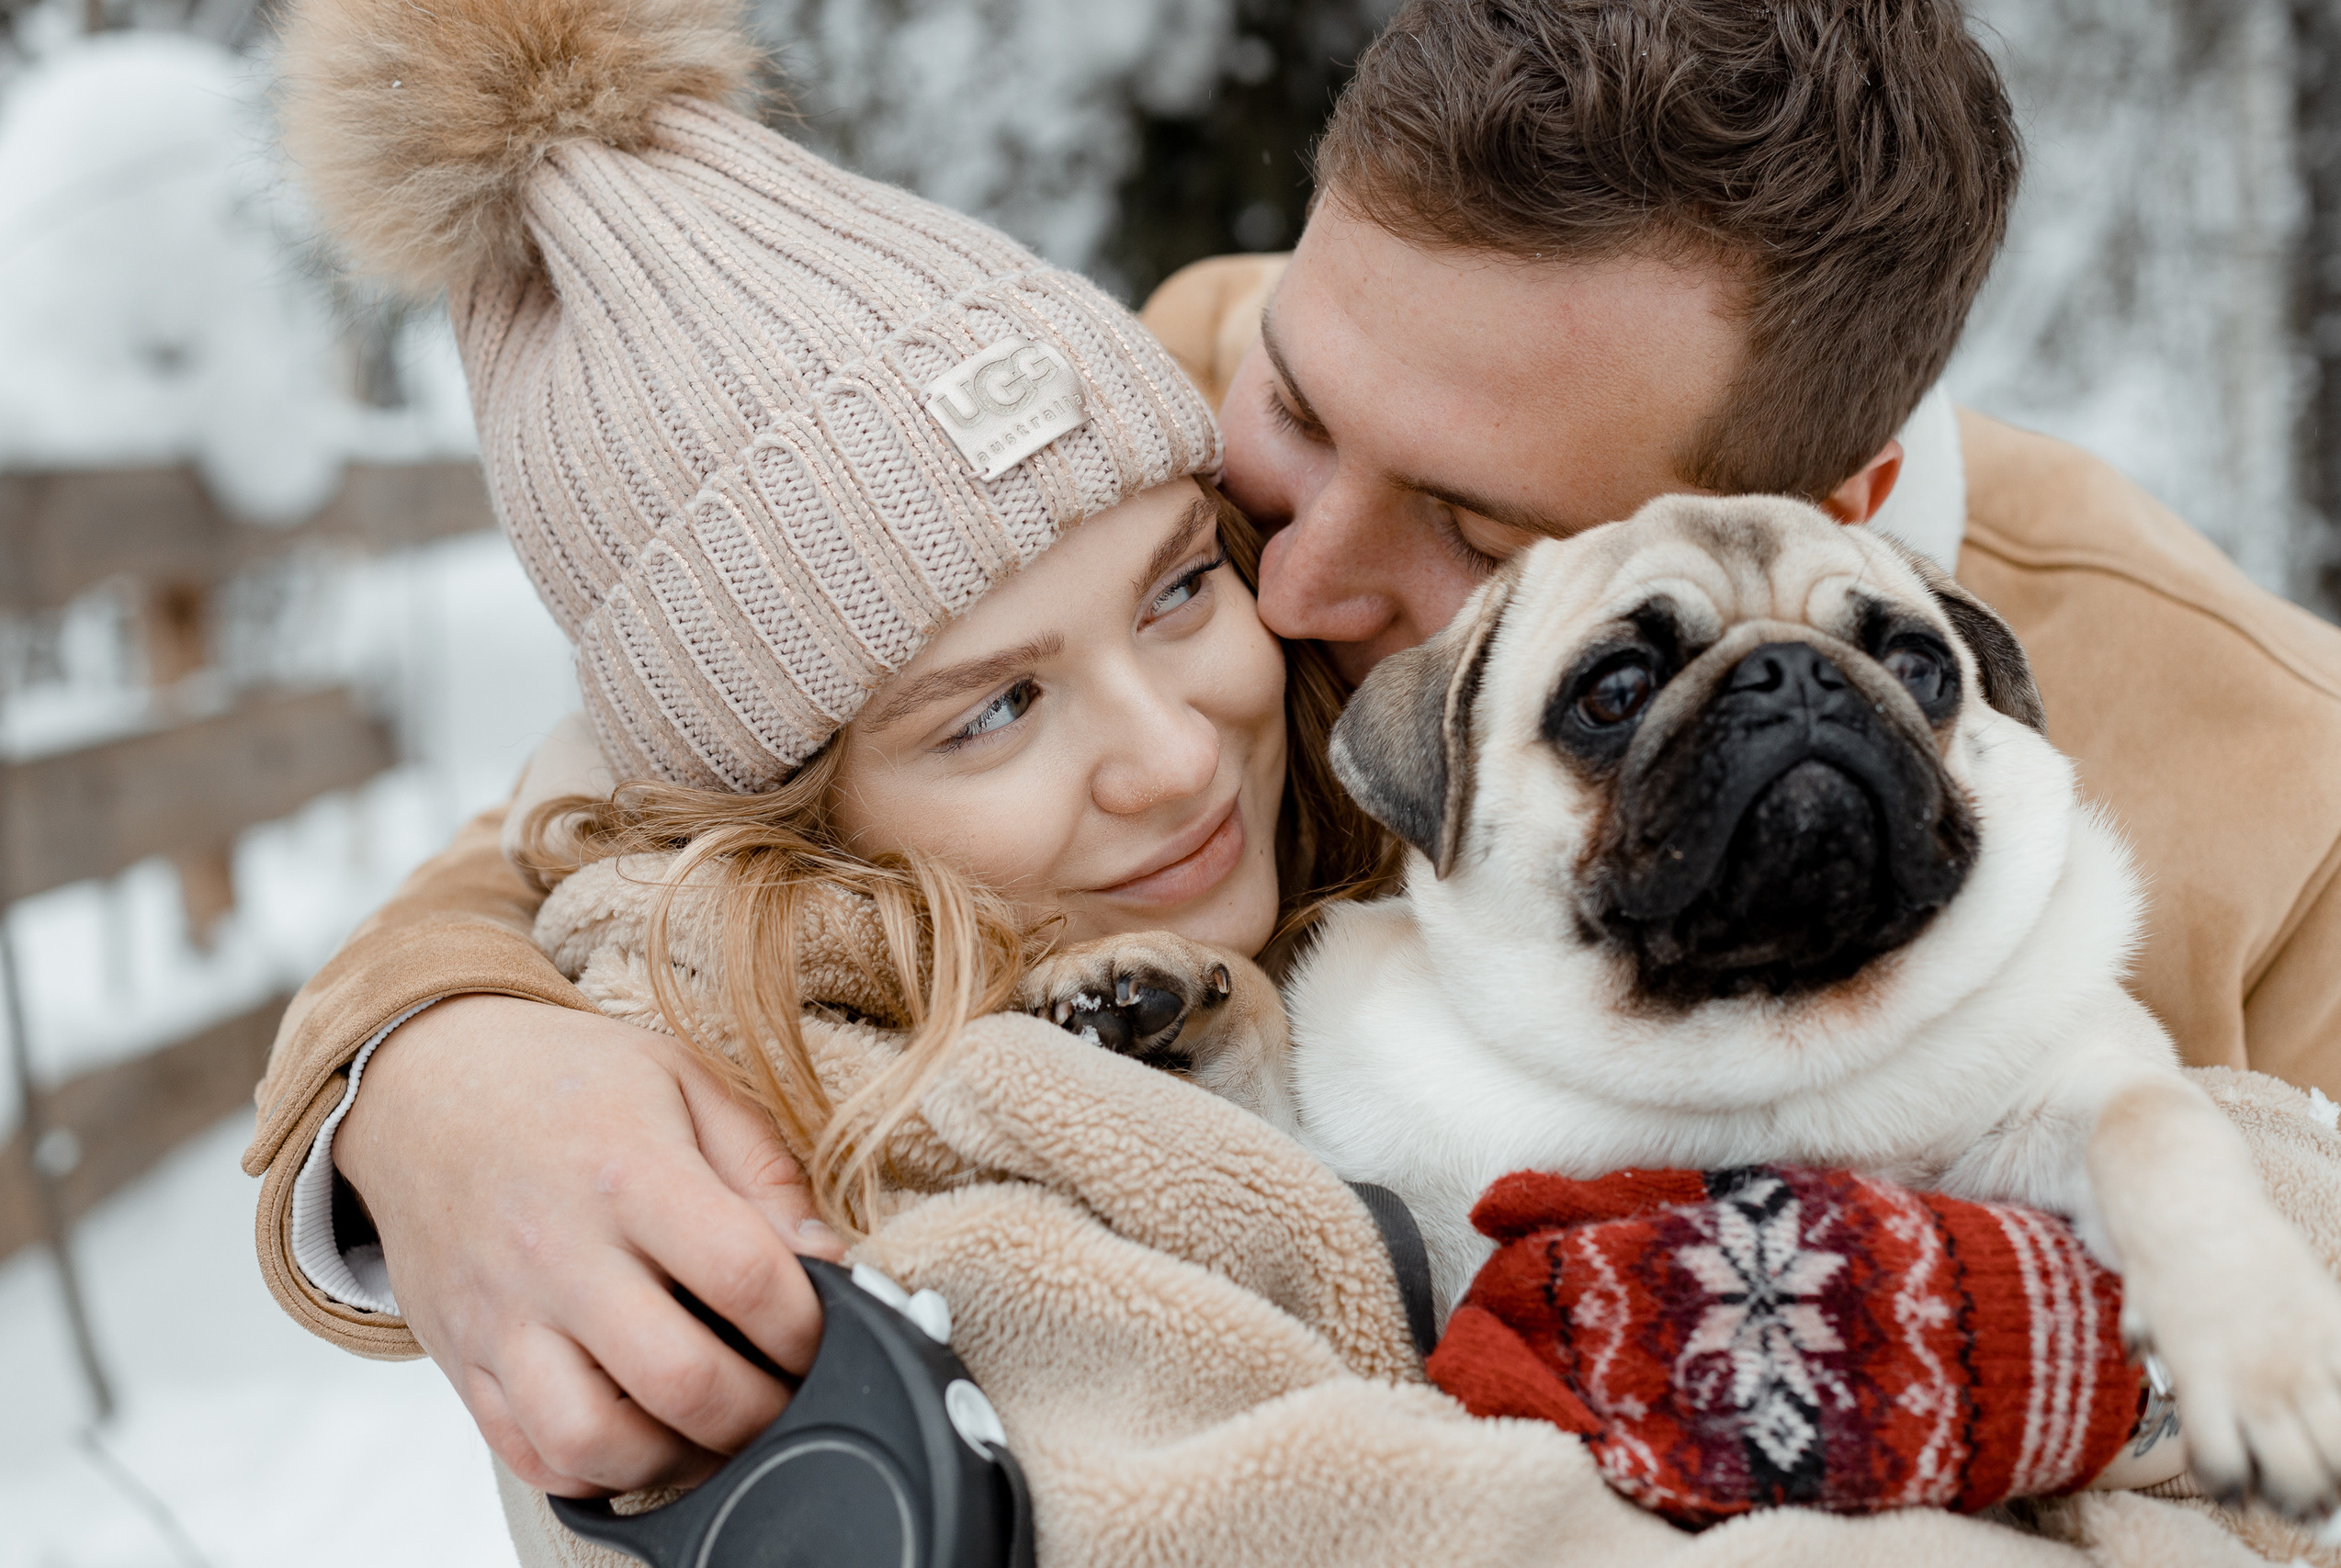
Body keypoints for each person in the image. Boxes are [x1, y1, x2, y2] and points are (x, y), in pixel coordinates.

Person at [246, 0, 2341, 1503]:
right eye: (1297, 413)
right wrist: (423, 1071)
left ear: (1846, 496)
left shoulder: (2273, 796)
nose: (1292, 588)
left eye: (1480, 535)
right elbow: (657, 789)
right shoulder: (1134, 447)